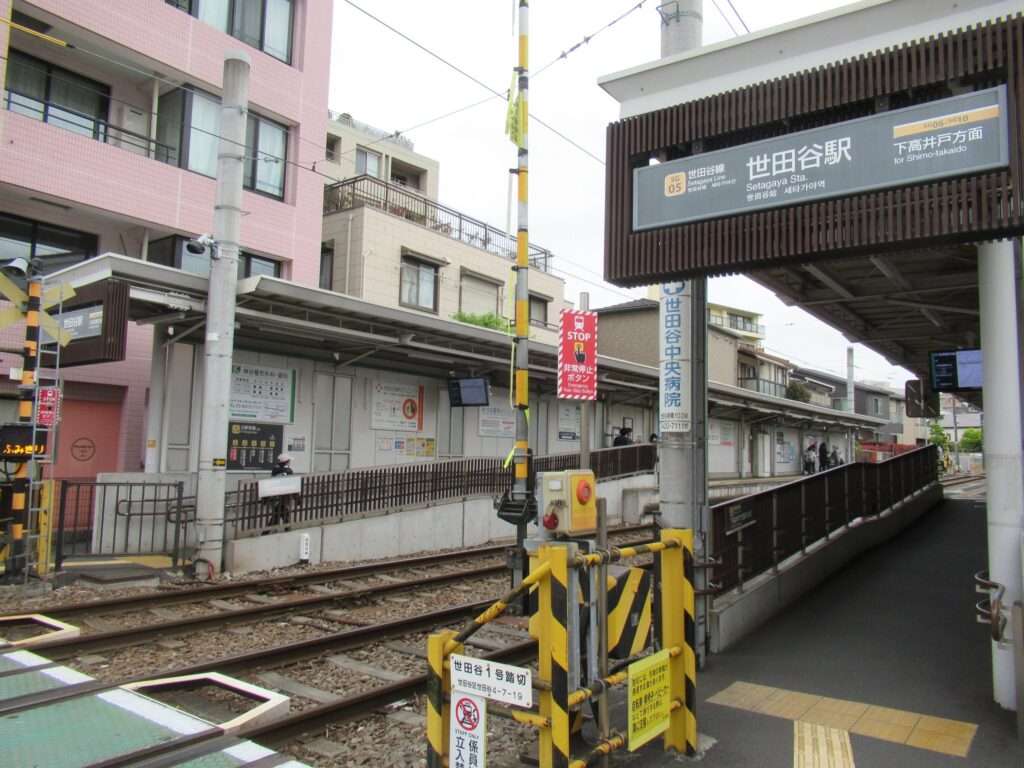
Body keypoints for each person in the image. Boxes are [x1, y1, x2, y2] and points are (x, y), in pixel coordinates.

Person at [267, 453, 297, 529]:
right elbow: (292, 484)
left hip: (274, 495)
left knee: (279, 515)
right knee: (281, 515)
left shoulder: (275, 469)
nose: (290, 462)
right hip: (283, 496)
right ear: (286, 462)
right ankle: (266, 532)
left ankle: (285, 528)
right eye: (289, 461)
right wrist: (296, 497)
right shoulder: (288, 471)